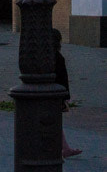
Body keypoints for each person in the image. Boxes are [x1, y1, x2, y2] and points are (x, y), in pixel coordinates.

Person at [55, 30, 82, 159]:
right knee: (54, 121)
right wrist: (65, 98)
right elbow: (63, 78)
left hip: (50, 93)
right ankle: (64, 148)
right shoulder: (58, 57)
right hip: (55, 94)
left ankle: (65, 148)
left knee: (54, 121)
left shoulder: (45, 55)